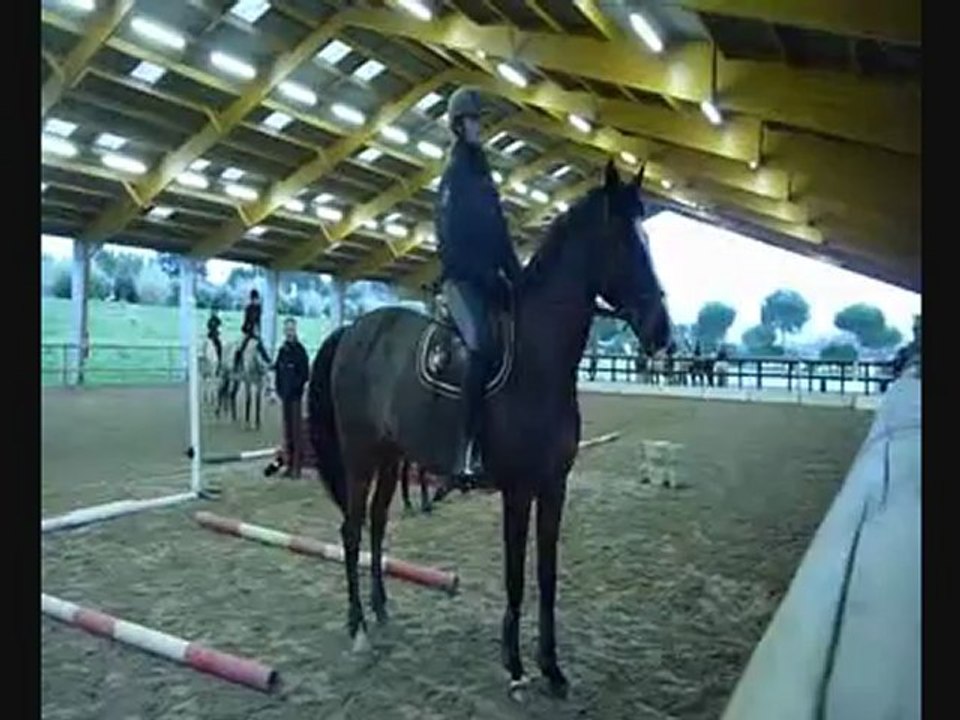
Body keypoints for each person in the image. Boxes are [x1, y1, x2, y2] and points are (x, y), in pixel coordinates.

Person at [436, 86, 523, 481]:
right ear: (458, 124)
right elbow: (450, 240)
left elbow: (500, 233)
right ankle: (466, 450)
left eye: (480, 120)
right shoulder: (454, 176)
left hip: (489, 280)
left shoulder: (484, 175)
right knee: (482, 344)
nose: (479, 126)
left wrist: (519, 277)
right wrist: (483, 275)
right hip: (461, 281)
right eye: (474, 120)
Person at [274, 318, 310, 478]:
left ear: (295, 331)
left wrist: (295, 389)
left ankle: (297, 466)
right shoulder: (282, 351)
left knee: (296, 433)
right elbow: (278, 372)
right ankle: (289, 465)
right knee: (287, 432)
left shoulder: (300, 351)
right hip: (285, 397)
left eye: (291, 329)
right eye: (287, 330)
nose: (289, 332)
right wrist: (280, 390)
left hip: (295, 397)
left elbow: (304, 374)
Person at [235, 289, 272, 371]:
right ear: (252, 299)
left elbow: (258, 321)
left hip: (255, 332)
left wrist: (257, 331)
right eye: (254, 299)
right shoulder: (248, 308)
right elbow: (246, 321)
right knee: (240, 347)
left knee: (261, 346)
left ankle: (268, 362)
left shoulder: (258, 308)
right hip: (248, 331)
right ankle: (236, 364)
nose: (256, 300)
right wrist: (246, 329)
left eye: (256, 299)